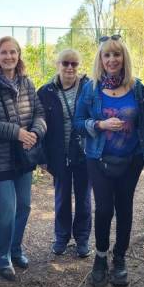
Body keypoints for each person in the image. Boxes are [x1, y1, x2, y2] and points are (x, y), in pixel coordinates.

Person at [74, 35, 144, 287]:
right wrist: (99, 124)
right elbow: (77, 123)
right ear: (101, 59)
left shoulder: (137, 87)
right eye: (107, 55)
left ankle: (120, 259)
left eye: (117, 54)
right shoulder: (90, 88)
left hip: (131, 159)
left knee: (125, 208)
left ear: (123, 58)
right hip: (98, 158)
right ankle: (101, 257)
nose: (112, 59)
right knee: (104, 209)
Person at [0, 36, 47, 282]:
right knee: (6, 210)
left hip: (25, 157)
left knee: (25, 206)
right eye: (3, 53)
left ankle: (16, 248)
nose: (9, 57)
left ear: (18, 56)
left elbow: (39, 112)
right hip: (1, 159)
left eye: (13, 52)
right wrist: (16, 132)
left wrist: (35, 133)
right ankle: (2, 256)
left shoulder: (27, 83)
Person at [37, 49, 92, 257]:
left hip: (84, 154)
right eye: (66, 63)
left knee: (84, 198)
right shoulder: (45, 92)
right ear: (58, 64)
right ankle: (61, 237)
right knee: (61, 198)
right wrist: (42, 157)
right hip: (58, 154)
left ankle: (82, 239)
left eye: (74, 64)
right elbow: (39, 124)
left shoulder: (89, 88)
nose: (70, 68)